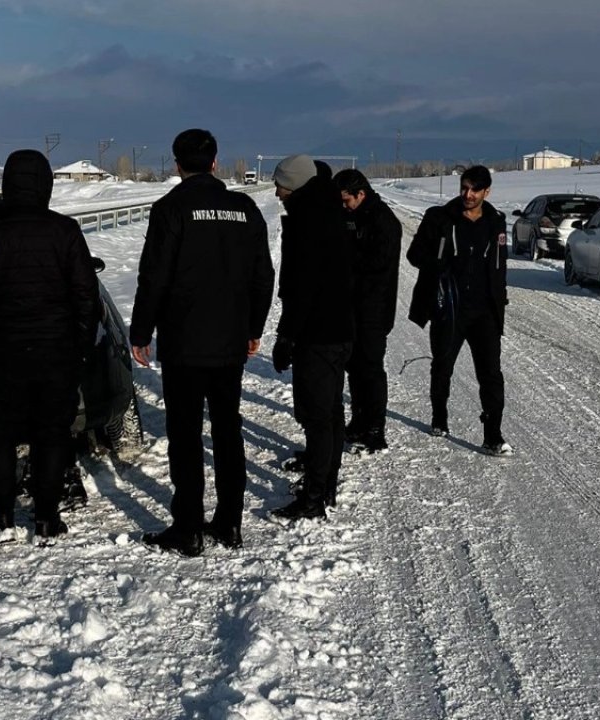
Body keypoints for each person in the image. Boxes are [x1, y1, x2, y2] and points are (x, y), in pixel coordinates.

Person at [130, 128, 274, 556]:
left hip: (184, 342)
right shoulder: (243, 207)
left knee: (187, 434)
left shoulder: (170, 208)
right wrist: (253, 327)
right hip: (229, 341)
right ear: (215, 162)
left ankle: (188, 527)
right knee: (228, 430)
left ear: (177, 165)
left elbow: (154, 277)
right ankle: (229, 523)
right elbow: (262, 275)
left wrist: (141, 331)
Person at [0, 149, 100, 541]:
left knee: (1, 435)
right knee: (51, 434)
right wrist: (81, 349)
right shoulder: (65, 231)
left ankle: (2, 515)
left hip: (3, 354)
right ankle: (45, 518)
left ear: (7, 183)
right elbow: (85, 296)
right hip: (56, 353)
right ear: (46, 184)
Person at [405, 165, 512, 455]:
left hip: (485, 312)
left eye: (475, 189)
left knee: (491, 373)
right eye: (464, 188)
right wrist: (437, 265)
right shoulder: (439, 218)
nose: (468, 194)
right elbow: (414, 255)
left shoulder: (496, 221)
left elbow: (500, 266)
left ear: (486, 192)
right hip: (449, 308)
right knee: (442, 366)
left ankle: (493, 435)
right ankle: (439, 417)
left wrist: (499, 301)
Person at [270, 154, 355, 519]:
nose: (276, 192)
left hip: (317, 334)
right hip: (339, 329)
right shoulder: (331, 211)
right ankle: (326, 486)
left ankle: (314, 498)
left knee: (319, 417)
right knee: (332, 412)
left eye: (280, 184)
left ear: (296, 184)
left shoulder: (308, 220)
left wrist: (287, 336)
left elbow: (302, 287)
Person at [333, 168, 402, 453]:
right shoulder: (351, 215)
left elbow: (376, 266)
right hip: (350, 307)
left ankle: (375, 427)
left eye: (347, 200)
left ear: (361, 194)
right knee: (354, 367)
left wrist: (346, 260)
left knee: (371, 368)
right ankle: (359, 420)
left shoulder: (383, 221)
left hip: (374, 308)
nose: (344, 206)